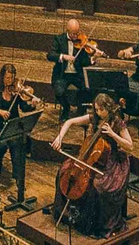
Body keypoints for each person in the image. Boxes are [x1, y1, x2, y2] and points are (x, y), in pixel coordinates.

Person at [52, 93, 134, 237]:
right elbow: (69, 122)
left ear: (108, 108)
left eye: (101, 109)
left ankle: (94, 224)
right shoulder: (93, 118)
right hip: (89, 157)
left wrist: (113, 134)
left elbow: (130, 146)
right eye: (96, 109)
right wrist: (60, 137)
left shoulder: (117, 122)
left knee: (98, 186)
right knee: (63, 171)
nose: (98, 112)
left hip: (110, 160)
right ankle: (66, 213)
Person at [0, 63, 43, 207]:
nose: (9, 81)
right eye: (7, 78)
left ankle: (19, 178)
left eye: (12, 78)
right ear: (2, 76)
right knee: (1, 144)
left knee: (17, 144)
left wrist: (32, 103)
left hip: (12, 125)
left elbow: (23, 107)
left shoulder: (16, 91)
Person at [50, 19, 94, 113]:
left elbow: (85, 61)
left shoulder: (82, 41)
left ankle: (80, 110)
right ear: (67, 30)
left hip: (77, 74)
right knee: (59, 91)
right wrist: (63, 56)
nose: (76, 36)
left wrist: (94, 58)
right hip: (62, 74)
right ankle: (66, 108)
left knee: (88, 88)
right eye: (73, 34)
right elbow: (50, 55)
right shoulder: (59, 39)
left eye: (77, 33)